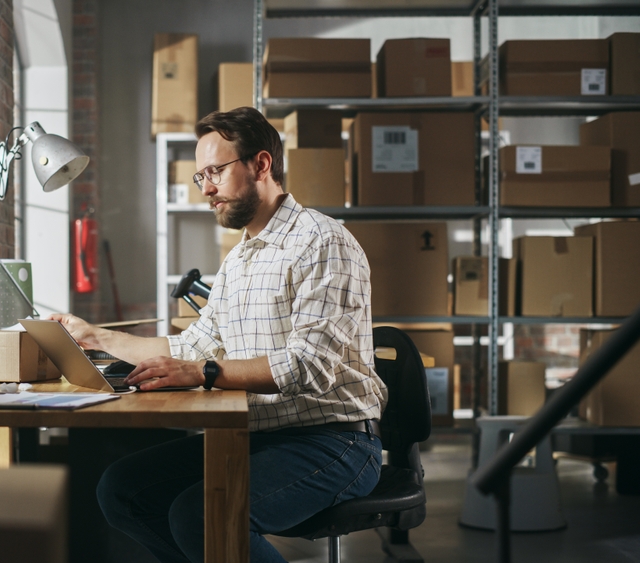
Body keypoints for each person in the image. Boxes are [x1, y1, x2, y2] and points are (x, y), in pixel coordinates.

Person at [50, 106, 387, 563]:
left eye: (215, 172)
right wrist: (94, 337)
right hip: (257, 433)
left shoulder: (323, 242)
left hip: (335, 440)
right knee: (121, 489)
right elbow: (192, 346)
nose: (206, 188)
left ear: (261, 164)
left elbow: (308, 365)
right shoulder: (238, 261)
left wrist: (202, 372)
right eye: (200, 176)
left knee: (200, 515)